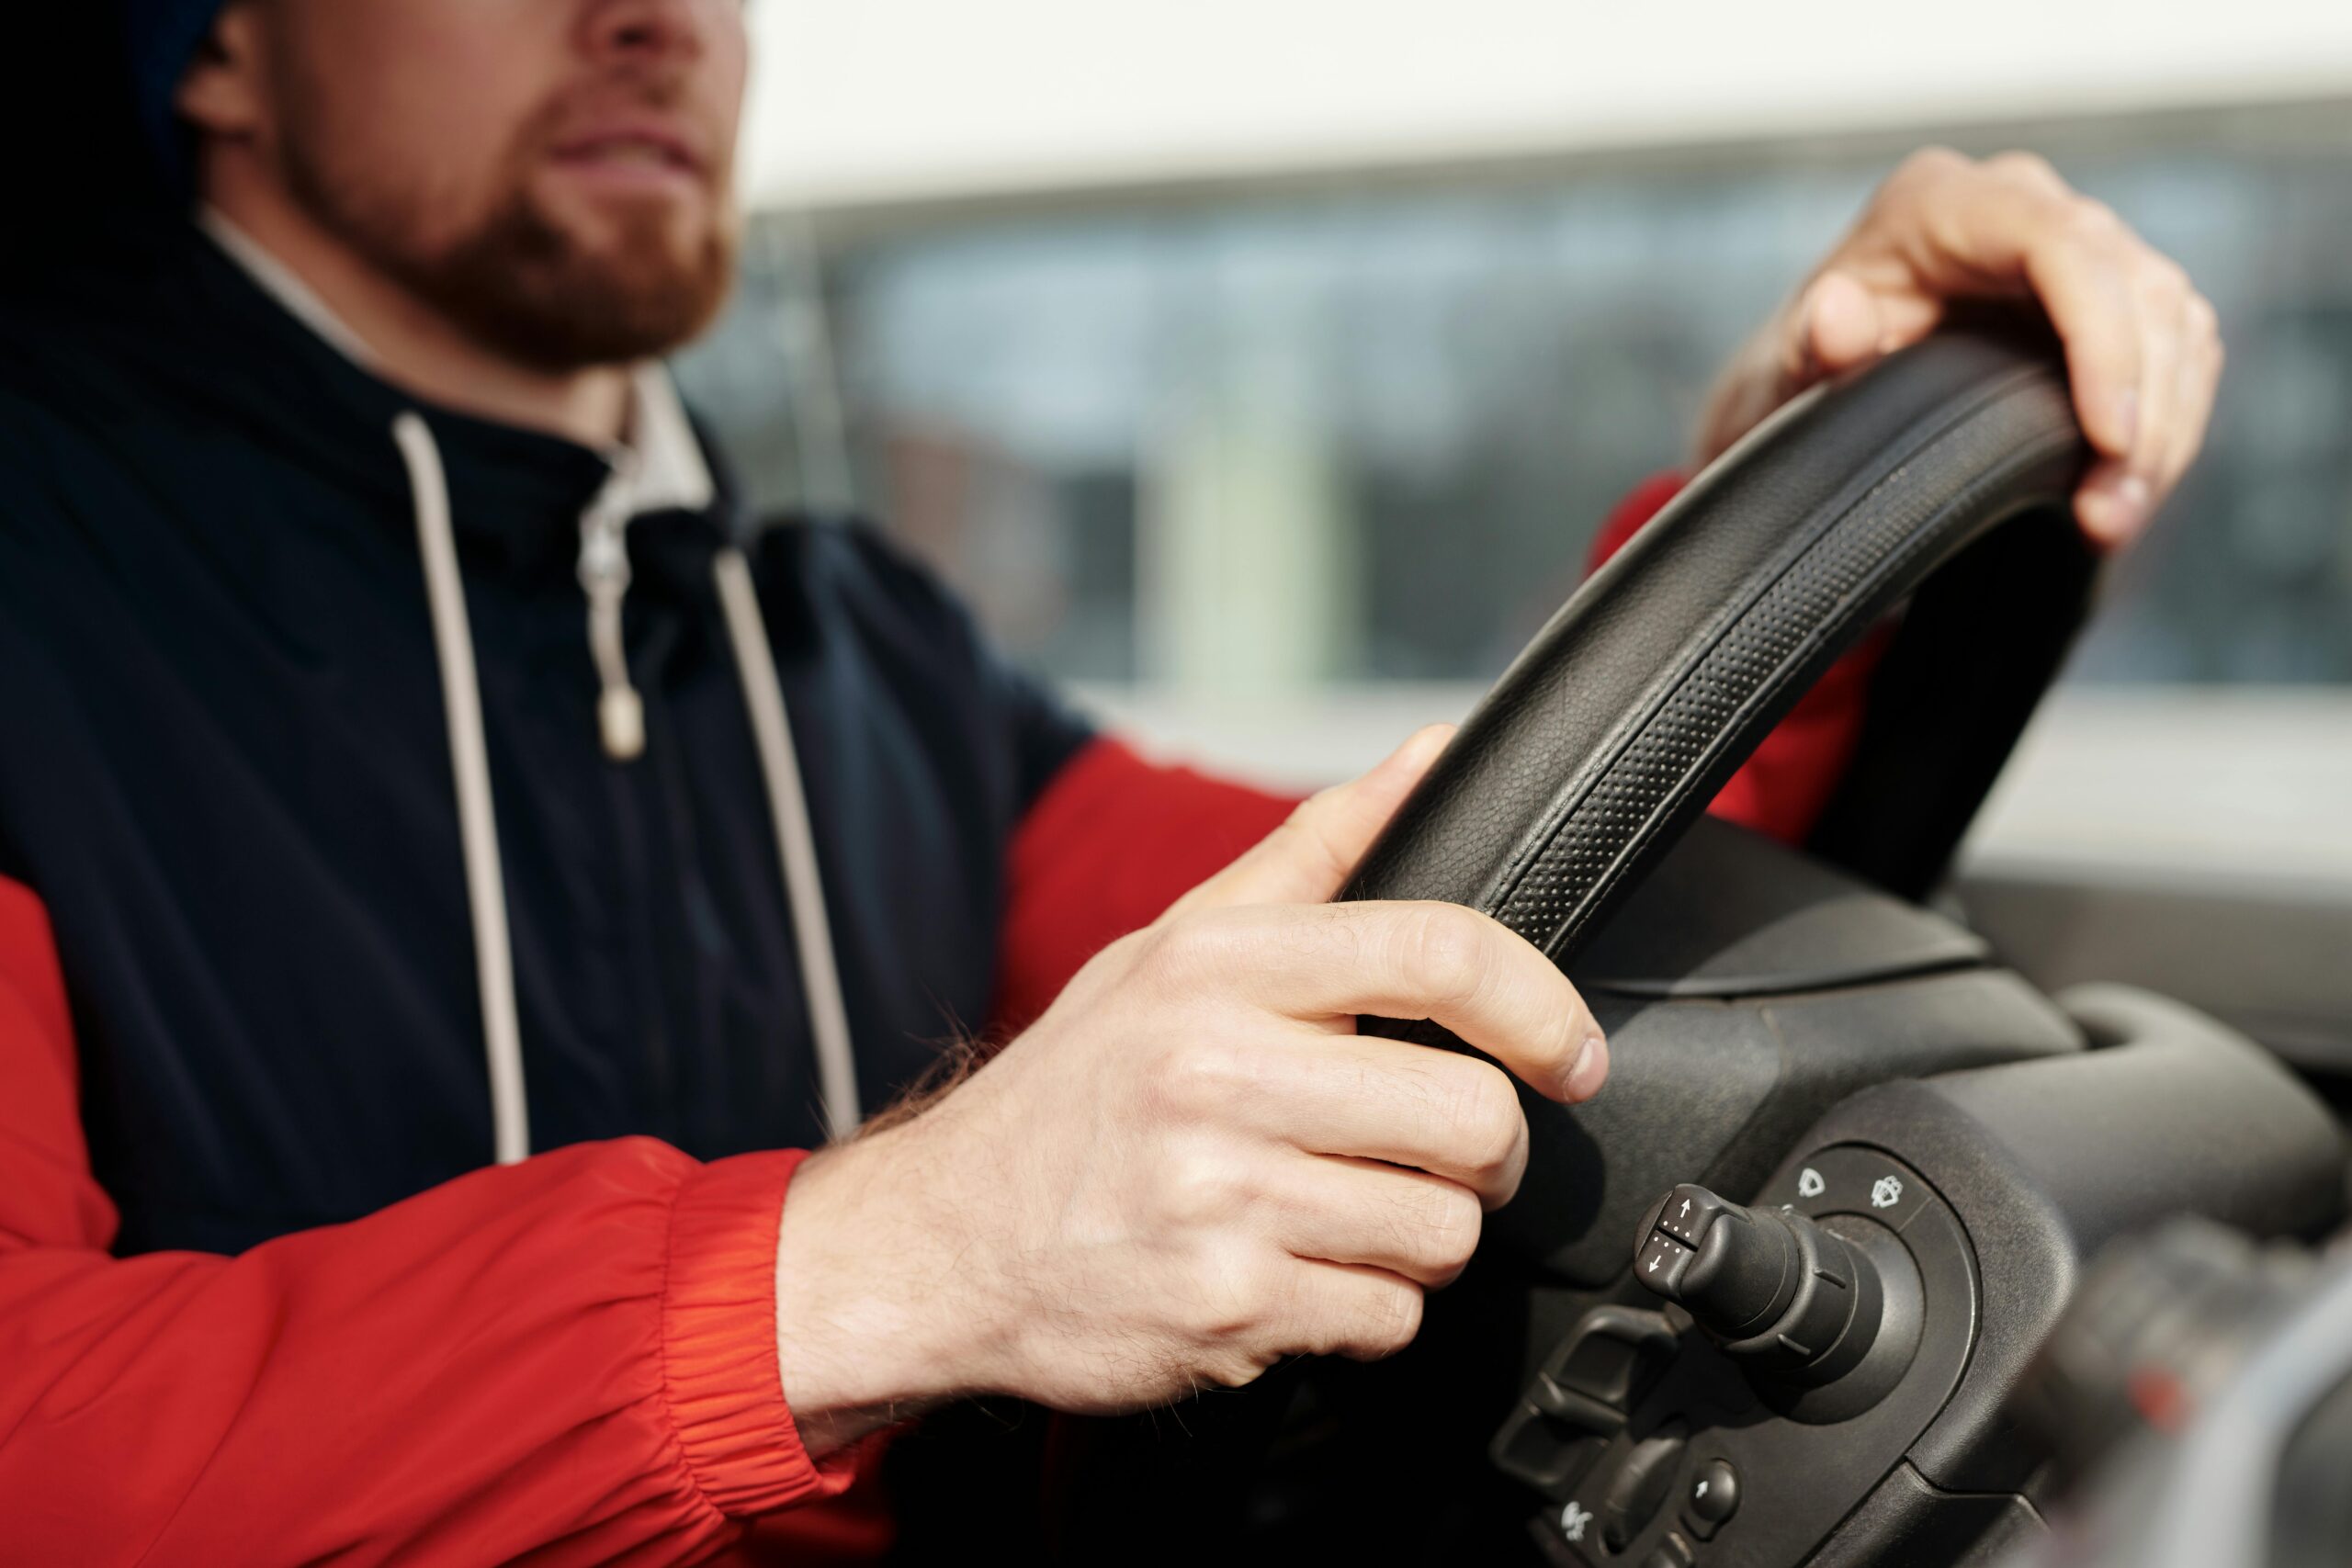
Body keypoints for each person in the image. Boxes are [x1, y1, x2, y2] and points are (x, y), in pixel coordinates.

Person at [0, 0, 2220, 1562]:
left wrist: (1777, 494)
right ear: (215, 45)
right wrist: (889, 1257)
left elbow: (1468, 942)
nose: (652, 16)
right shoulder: (50, 590)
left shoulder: (860, 645)